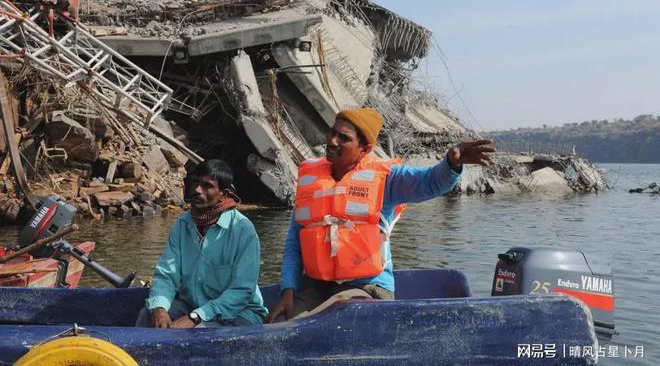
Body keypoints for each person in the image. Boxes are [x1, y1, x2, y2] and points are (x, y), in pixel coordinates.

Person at [266, 108, 494, 322]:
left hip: (367, 288)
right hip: (317, 286)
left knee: (340, 319)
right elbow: (294, 244)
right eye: (332, 133)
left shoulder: (387, 179)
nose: (332, 141)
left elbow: (430, 182)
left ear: (364, 150)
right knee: (278, 327)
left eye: (344, 138)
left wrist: (452, 164)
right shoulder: (311, 182)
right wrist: (288, 291)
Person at [136, 159, 267, 328]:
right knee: (147, 314)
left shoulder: (243, 230)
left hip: (239, 312)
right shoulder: (182, 224)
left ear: (224, 194)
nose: (197, 190)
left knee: (199, 331)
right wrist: (160, 308)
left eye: (207, 186)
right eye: (195, 183)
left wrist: (196, 317)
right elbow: (167, 275)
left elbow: (241, 292)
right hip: (192, 304)